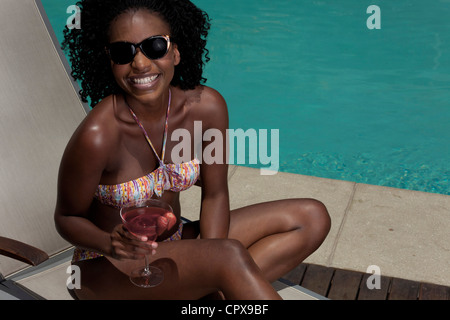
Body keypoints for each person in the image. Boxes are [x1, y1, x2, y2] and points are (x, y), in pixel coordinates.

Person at [55, 0, 331, 300]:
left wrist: (211, 259)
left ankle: (215, 288)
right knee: (227, 257)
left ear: (176, 51)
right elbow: (67, 217)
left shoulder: (207, 109)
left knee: (311, 217)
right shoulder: (97, 135)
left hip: (174, 245)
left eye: (155, 46)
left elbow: (215, 194)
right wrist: (110, 243)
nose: (141, 63)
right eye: (124, 52)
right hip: (109, 267)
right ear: (109, 60)